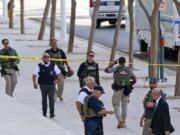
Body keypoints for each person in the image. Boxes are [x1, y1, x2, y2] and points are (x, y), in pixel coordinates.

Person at [104, 56, 136, 128]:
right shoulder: (128, 69)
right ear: (125, 62)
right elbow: (134, 80)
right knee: (124, 107)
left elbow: (106, 70)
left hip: (117, 90)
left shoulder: (116, 68)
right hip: (126, 91)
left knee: (116, 105)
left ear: (119, 62)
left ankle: (120, 120)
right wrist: (129, 85)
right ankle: (123, 122)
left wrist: (113, 63)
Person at [32, 53, 61, 118]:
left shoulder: (53, 65)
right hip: (43, 85)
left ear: (49, 58)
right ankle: (44, 113)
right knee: (44, 99)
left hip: (51, 85)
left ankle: (52, 113)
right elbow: (34, 75)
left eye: (47, 57)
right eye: (44, 57)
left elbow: (59, 74)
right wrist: (34, 84)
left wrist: (57, 80)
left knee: (51, 99)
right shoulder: (39, 66)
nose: (46, 58)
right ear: (42, 58)